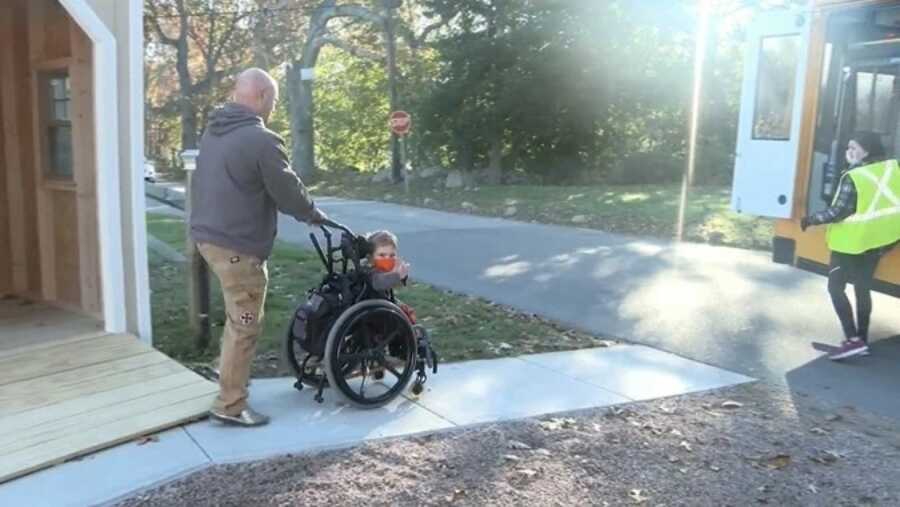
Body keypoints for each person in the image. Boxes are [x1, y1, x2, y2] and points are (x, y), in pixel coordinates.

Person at [190, 68, 328, 426]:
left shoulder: (215, 131)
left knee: (238, 318)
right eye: (276, 101)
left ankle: (228, 377)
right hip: (237, 248)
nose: (275, 108)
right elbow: (287, 191)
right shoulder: (260, 139)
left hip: (208, 239)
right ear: (263, 97)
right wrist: (311, 213)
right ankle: (231, 404)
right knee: (245, 322)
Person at [800, 131, 900, 360]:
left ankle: (852, 340)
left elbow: (838, 212)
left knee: (836, 288)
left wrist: (810, 220)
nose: (848, 152)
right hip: (879, 243)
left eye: (853, 148)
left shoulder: (855, 177)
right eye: (848, 148)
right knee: (862, 289)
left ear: (867, 150)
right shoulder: (892, 169)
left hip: (850, 245)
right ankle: (862, 340)